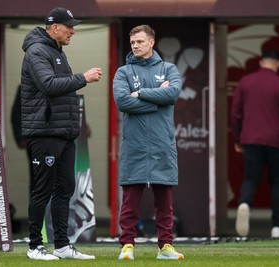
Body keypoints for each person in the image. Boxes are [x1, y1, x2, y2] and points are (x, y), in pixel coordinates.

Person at [20, 7, 102, 260]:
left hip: (63, 133)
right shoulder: (36, 51)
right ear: (54, 27)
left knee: (65, 188)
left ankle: (62, 246)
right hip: (45, 132)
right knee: (42, 190)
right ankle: (35, 246)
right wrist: (83, 78)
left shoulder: (55, 50)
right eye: (69, 26)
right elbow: (49, 86)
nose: (73, 31)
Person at [113, 25, 184, 260]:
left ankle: (166, 246)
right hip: (135, 145)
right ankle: (127, 246)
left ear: (152, 42)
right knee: (130, 200)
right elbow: (123, 102)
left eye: (140, 41)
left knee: (164, 200)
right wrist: (156, 99)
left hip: (162, 143)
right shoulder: (123, 72)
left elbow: (172, 94)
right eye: (133, 42)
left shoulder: (169, 68)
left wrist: (140, 93)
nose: (135, 45)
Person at [231, 49, 279, 239]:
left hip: (251, 139)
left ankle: (244, 204)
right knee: (277, 182)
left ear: (261, 62)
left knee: (250, 178)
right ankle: (277, 227)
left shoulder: (245, 82)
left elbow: (235, 113)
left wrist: (237, 138)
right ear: (278, 64)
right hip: (277, 141)